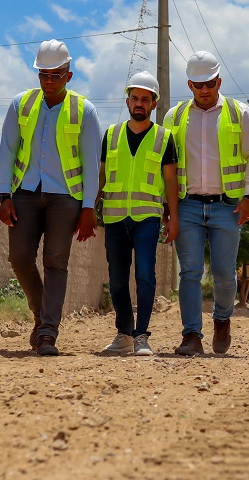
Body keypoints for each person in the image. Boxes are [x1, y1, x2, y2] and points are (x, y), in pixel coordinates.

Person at [0, 39, 102, 356]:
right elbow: (6, 151)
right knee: (19, 259)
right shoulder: (20, 104)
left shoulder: (85, 110)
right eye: (44, 74)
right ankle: (41, 315)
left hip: (65, 198)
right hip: (25, 195)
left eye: (56, 75)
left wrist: (88, 207)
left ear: (69, 75)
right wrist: (4, 195)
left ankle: (47, 333)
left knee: (56, 262)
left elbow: (91, 163)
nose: (49, 81)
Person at [163, 51, 249, 355]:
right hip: (188, 205)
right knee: (190, 271)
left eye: (209, 83)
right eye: (198, 84)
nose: (204, 90)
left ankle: (222, 320)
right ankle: (191, 334)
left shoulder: (239, 113)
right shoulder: (174, 117)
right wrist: (168, 207)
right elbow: (165, 164)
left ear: (218, 81)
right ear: (190, 84)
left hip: (227, 206)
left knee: (224, 273)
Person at [98, 72, 179, 355]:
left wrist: (174, 218)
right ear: (128, 100)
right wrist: (88, 209)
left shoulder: (163, 138)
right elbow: (100, 176)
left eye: (145, 99)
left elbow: (171, 181)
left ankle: (141, 335)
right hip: (115, 217)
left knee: (145, 275)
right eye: (135, 98)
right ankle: (124, 334)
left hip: (147, 216)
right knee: (117, 279)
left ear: (154, 104)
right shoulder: (111, 135)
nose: (139, 103)